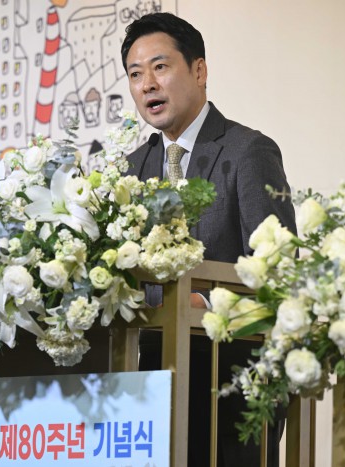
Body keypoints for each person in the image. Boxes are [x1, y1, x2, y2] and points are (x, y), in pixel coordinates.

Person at [121, 12, 296, 467]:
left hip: (228, 381)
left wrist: (202, 304)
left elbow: (277, 274)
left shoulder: (247, 150)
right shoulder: (131, 169)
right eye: (135, 75)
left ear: (199, 70)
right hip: (145, 382)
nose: (147, 84)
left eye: (160, 67)